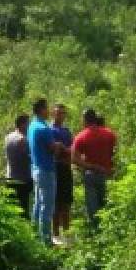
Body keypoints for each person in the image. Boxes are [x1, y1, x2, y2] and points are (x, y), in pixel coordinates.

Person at [28, 98, 65, 246]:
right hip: (46, 170)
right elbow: (52, 150)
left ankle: (34, 235)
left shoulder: (32, 125)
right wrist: (59, 146)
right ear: (41, 109)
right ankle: (46, 240)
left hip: (36, 169)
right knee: (47, 206)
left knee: (37, 204)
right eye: (47, 108)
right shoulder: (44, 128)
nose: (48, 111)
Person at [72, 109, 117, 229]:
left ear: (85, 119)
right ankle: (108, 230)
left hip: (91, 174)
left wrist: (91, 166)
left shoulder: (81, 136)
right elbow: (115, 154)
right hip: (107, 174)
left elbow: (75, 159)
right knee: (106, 205)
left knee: (93, 208)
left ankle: (95, 232)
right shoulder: (109, 134)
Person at [51, 103, 75, 245]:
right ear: (53, 114)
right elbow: (55, 151)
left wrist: (65, 150)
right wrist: (64, 151)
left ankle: (67, 235)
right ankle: (55, 235)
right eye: (58, 113)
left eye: (63, 113)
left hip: (66, 169)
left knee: (66, 203)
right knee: (55, 203)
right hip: (55, 169)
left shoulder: (66, 131)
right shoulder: (50, 130)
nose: (61, 116)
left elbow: (72, 148)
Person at [4, 114, 32, 219]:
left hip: (9, 177)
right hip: (22, 180)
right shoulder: (22, 139)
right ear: (22, 124)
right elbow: (29, 158)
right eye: (28, 124)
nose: (29, 127)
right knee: (23, 210)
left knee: (11, 209)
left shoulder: (8, 137)